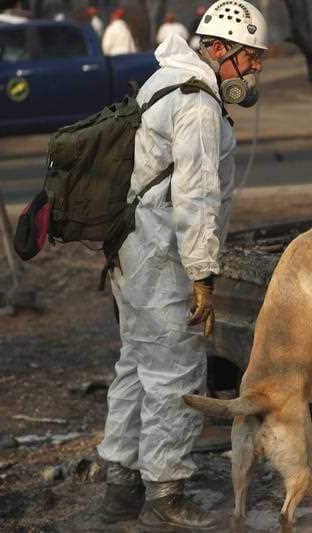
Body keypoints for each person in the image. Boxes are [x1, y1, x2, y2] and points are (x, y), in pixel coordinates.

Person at [96, 0, 267, 530]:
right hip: (163, 255)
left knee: (137, 365)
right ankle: (166, 495)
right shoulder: (195, 102)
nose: (254, 70)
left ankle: (120, 487)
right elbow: (195, 196)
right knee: (176, 372)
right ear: (218, 49)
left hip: (132, 249)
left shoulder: (164, 79)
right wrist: (202, 275)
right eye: (249, 58)